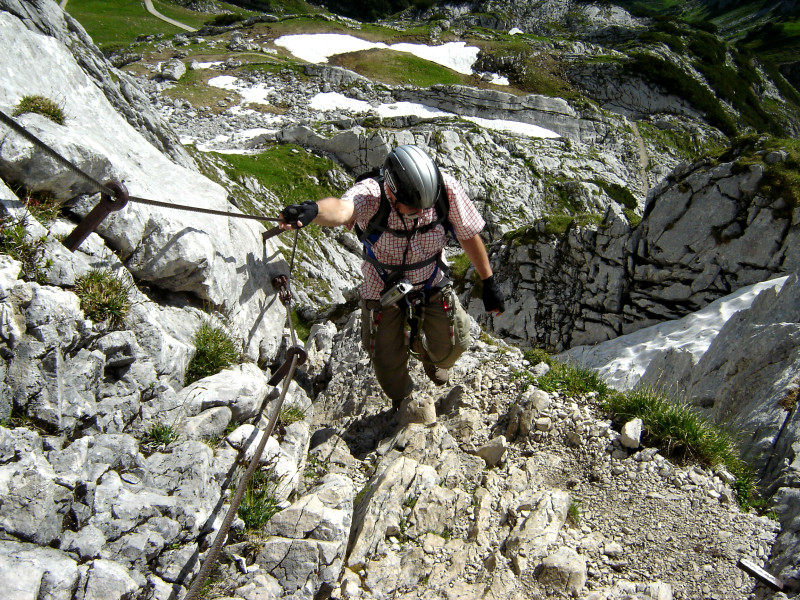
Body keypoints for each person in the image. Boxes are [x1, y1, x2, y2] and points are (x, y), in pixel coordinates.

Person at [279, 144, 504, 411]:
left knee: (457, 343)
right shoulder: (372, 195)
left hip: (431, 279)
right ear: (392, 190)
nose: (421, 213)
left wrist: (488, 282)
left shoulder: (444, 189)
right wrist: (313, 210)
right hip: (382, 288)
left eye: (426, 207)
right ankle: (402, 399)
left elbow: (467, 234)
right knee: (385, 360)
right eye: (412, 207)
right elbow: (341, 209)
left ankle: (430, 357)